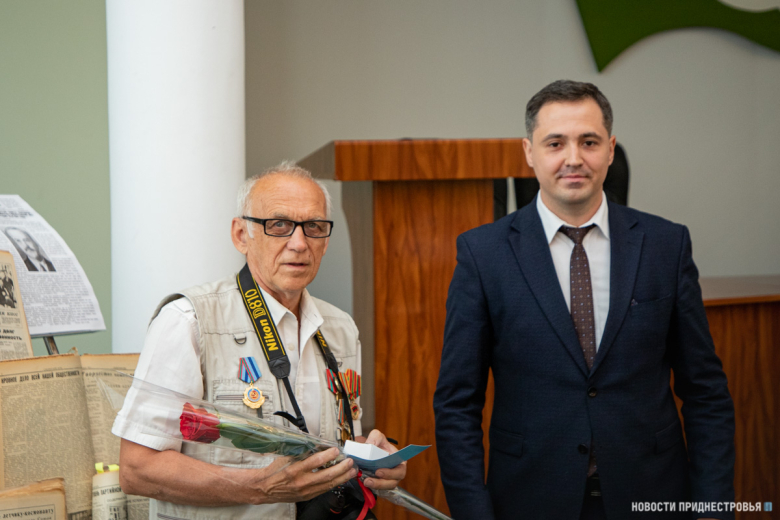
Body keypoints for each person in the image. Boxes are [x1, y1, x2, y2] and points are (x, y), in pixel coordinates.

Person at [433, 80, 734, 520]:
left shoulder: (665, 245)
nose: (573, 158)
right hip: (529, 501)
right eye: (555, 143)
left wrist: (713, 511)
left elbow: (705, 393)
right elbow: (457, 405)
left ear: (610, 150)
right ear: (529, 152)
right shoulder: (484, 254)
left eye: (589, 142)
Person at [113, 162, 406, 519]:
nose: (299, 243)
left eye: (313, 227)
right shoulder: (189, 320)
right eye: (279, 225)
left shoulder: (340, 327)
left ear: (326, 240)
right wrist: (259, 488)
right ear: (241, 235)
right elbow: (137, 469)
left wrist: (373, 457)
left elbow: (325, 443)